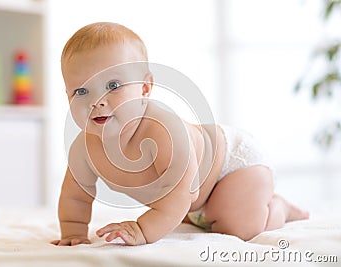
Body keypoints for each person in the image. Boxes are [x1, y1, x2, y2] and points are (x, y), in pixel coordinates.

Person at [51, 22, 309, 246]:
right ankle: (202, 213)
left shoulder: (163, 131)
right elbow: (75, 195)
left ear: (144, 88)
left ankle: (278, 209)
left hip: (233, 166)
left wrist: (142, 230)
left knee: (236, 226)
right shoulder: (83, 150)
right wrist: (74, 233)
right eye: (81, 91)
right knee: (190, 213)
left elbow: (182, 193)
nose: (97, 101)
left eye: (113, 86)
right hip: (197, 194)